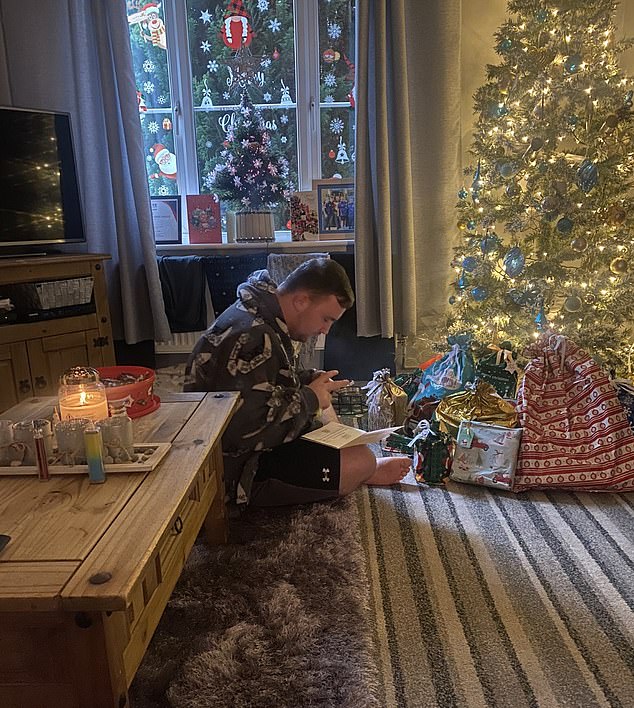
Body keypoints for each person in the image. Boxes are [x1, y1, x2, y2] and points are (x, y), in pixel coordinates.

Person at [184, 257, 410, 510]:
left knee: (328, 409)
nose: (325, 330)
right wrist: (309, 397)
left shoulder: (262, 316)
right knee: (362, 460)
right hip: (234, 470)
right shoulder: (251, 336)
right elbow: (242, 429)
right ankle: (365, 472)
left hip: (247, 446)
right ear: (301, 300)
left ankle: (353, 467)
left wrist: (307, 380)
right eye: (326, 319)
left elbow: (259, 386)